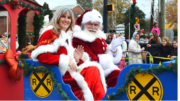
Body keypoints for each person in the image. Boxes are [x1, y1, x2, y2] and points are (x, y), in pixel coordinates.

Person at [31, 7, 107, 100]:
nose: (66, 20)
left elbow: (68, 59)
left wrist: (75, 59)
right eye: (63, 16)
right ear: (57, 18)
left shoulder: (65, 35)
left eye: (69, 17)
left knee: (94, 69)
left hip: (68, 72)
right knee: (91, 76)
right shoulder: (49, 33)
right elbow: (41, 56)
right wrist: (66, 61)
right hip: (58, 76)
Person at [72, 9, 125, 90]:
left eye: (96, 25)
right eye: (90, 24)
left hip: (104, 69)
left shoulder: (99, 36)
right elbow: (89, 58)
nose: (93, 27)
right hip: (92, 71)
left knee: (122, 78)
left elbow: (105, 50)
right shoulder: (79, 38)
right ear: (84, 24)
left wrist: (113, 48)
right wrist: (107, 61)